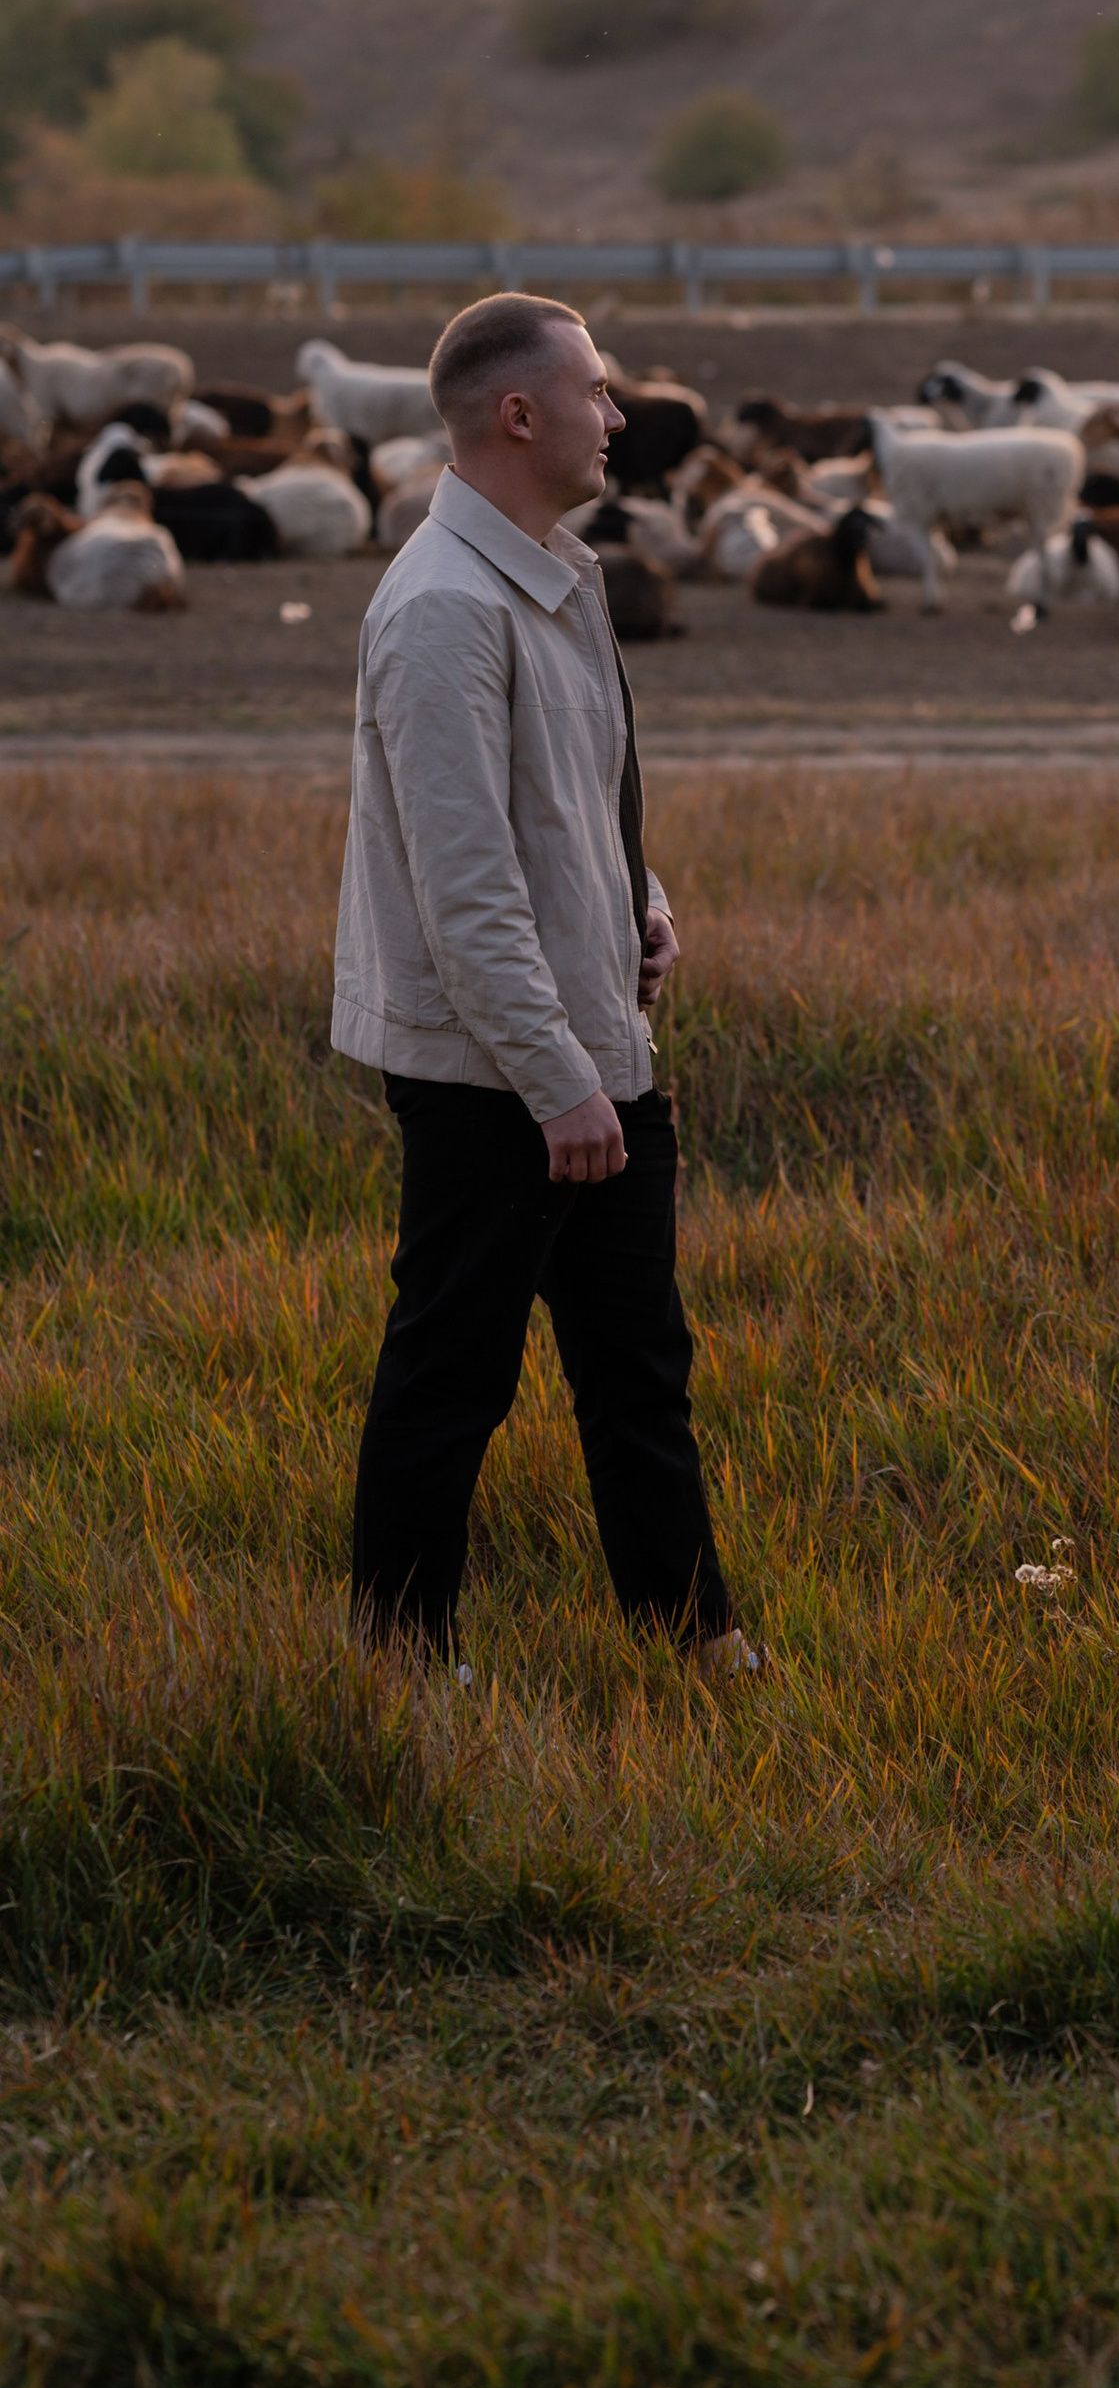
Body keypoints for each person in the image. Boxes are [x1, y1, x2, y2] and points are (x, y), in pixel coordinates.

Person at [332, 290, 752, 1672]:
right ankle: (400, 1665)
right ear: (520, 415)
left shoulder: (549, 574)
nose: (618, 415)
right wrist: (561, 1087)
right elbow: (466, 896)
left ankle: (692, 1641)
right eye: (597, 390)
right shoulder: (447, 612)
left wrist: (645, 903)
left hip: (595, 1052)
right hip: (500, 1079)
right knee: (454, 1377)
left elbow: (574, 802)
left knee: (641, 1373)